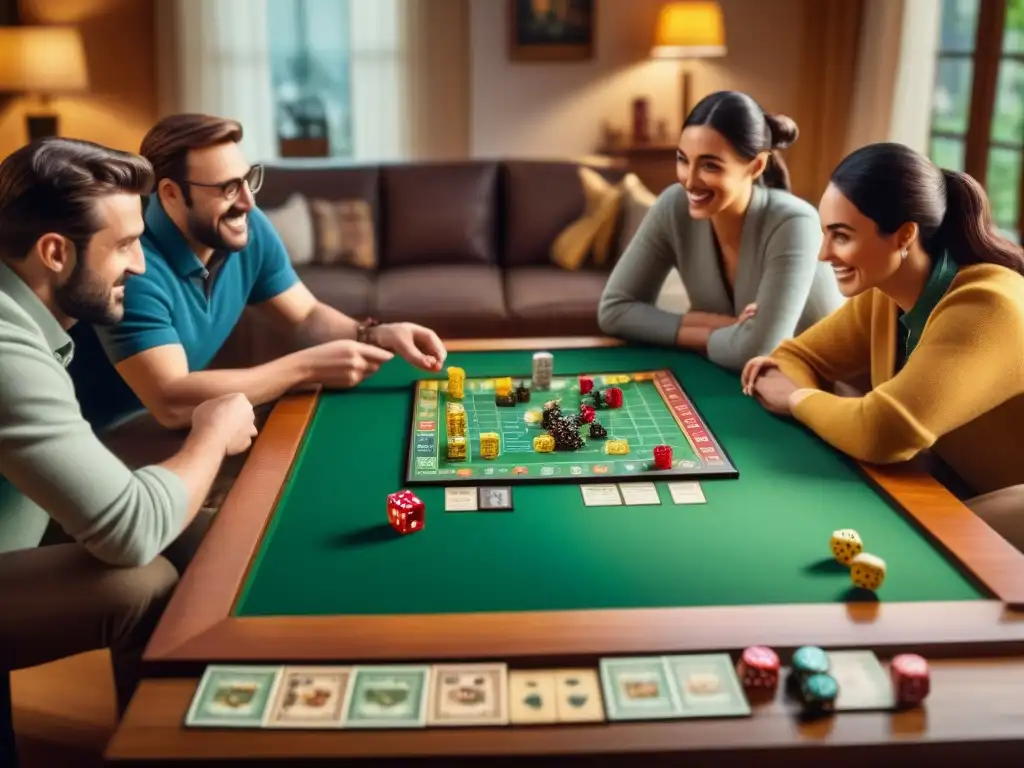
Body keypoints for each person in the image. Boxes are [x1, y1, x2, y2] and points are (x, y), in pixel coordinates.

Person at [0, 137, 259, 716]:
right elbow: (131, 531)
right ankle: (162, 741)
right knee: (143, 583)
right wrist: (211, 434)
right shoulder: (6, 350)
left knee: (206, 535)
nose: (140, 266)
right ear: (54, 253)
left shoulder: (20, 311)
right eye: (124, 245)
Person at [68, 113, 448, 432]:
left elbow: (305, 316)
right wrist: (306, 367)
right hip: (107, 435)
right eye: (228, 188)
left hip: (177, 421)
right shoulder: (133, 265)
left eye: (248, 180)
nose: (249, 202)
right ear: (170, 194)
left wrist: (377, 334)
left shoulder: (246, 227)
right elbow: (171, 400)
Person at [741, 142, 1024, 550]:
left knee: (902, 550)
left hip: (1013, 497)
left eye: (841, 235)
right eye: (825, 233)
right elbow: (792, 359)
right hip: (956, 478)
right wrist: (810, 397)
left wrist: (797, 400)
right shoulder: (887, 294)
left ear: (904, 235)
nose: (823, 254)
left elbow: (883, 431)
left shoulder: (987, 304)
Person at [597, 90, 844, 371]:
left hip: (820, 388)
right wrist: (723, 328)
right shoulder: (674, 205)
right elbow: (614, 311)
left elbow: (758, 351)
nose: (689, 181)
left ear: (756, 166)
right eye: (683, 159)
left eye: (710, 165)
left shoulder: (795, 222)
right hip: (738, 380)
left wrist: (691, 324)